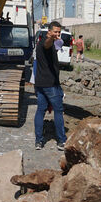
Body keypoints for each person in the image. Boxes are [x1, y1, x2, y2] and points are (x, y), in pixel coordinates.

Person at [34, 21, 67, 151]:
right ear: (49, 32)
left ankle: (38, 141)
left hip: (40, 84)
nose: (57, 34)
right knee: (58, 111)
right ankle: (61, 140)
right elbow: (47, 44)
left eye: (59, 32)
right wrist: (51, 38)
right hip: (50, 85)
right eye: (55, 32)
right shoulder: (45, 42)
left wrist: (55, 39)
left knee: (40, 111)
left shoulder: (45, 43)